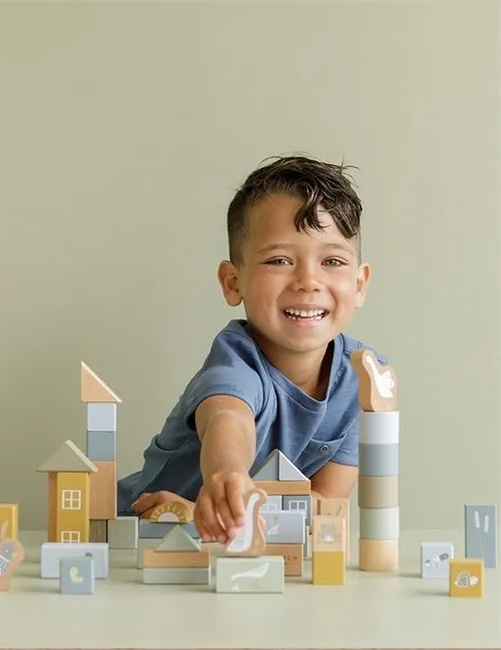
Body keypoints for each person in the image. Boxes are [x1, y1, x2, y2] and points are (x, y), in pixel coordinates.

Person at [117, 154, 387, 545]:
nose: (308, 281)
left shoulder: (364, 380)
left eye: (332, 260)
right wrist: (227, 476)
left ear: (360, 284)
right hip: (142, 532)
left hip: (234, 546)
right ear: (232, 282)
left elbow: (326, 504)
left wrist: (240, 511)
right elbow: (229, 419)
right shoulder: (236, 360)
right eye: (279, 260)